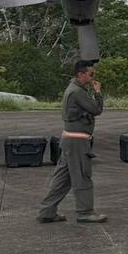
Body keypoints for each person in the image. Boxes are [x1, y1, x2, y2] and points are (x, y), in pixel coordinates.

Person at [37, 60, 107, 223]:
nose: (92, 77)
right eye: (91, 74)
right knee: (82, 176)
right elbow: (96, 110)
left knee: (62, 179)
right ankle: (85, 212)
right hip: (77, 142)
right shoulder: (77, 92)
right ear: (81, 74)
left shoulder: (74, 89)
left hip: (69, 140)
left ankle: (47, 211)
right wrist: (98, 92)